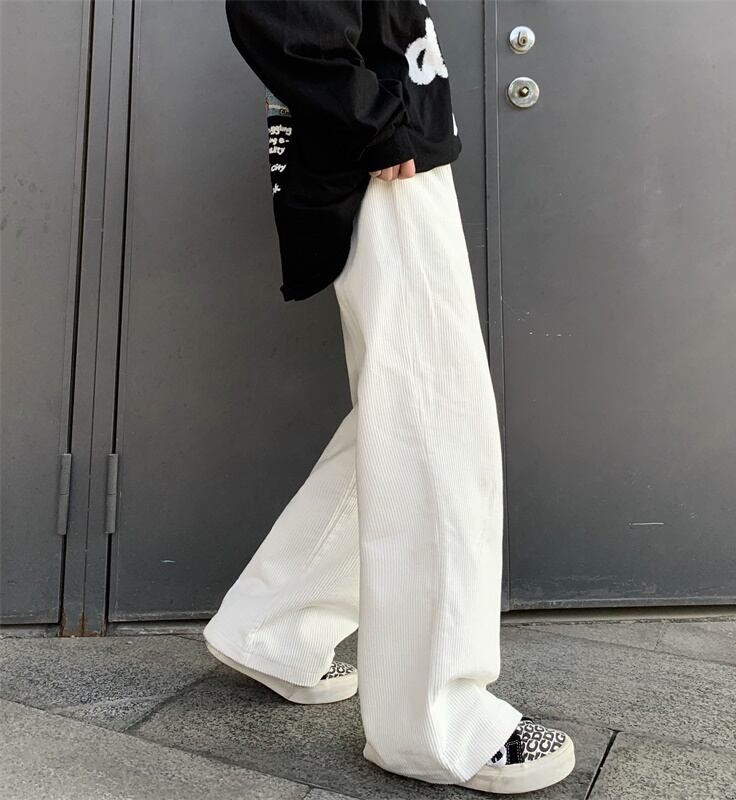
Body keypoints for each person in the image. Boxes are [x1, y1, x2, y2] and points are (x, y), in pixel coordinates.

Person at [204, 1, 576, 793]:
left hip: (389, 140)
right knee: (436, 414)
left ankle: (273, 625)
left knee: (406, 411)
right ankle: (432, 721)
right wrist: (372, 121)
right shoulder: (373, 128)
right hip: (377, 151)